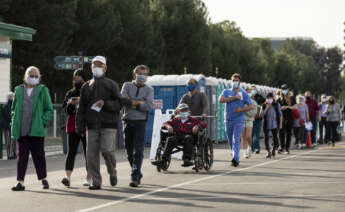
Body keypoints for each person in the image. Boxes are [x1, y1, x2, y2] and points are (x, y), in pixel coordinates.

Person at [76, 56, 128, 190]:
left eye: (99, 65)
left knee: (107, 151)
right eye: (94, 65)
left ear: (105, 68)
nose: (96, 67)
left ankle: (112, 171)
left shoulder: (111, 84)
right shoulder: (86, 86)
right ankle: (96, 181)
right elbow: (81, 108)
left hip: (108, 125)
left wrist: (106, 104)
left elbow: (119, 103)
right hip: (91, 125)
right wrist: (80, 125)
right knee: (91, 155)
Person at [11, 66, 53, 191]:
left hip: (37, 130)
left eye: (36, 76)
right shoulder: (18, 90)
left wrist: (42, 122)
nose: (33, 77)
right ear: (25, 76)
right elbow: (14, 109)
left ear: (38, 77)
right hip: (22, 130)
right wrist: (14, 123)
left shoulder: (42, 90)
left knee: (39, 156)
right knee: (21, 157)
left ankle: (43, 179)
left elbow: (49, 109)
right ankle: (20, 182)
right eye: (31, 75)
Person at [121, 65, 154, 187]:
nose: (143, 77)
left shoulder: (149, 89)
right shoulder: (127, 85)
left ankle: (134, 177)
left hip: (140, 122)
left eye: (145, 74)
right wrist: (140, 102)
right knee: (129, 152)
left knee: (138, 151)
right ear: (134, 74)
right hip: (128, 121)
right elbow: (123, 100)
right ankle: (137, 171)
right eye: (140, 74)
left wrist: (132, 102)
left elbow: (149, 106)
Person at [61, 69, 91, 187]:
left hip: (87, 126)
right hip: (72, 126)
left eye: (80, 78)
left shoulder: (89, 91)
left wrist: (81, 101)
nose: (77, 80)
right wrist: (70, 104)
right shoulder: (70, 93)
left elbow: (93, 107)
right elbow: (65, 109)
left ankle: (89, 178)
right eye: (75, 78)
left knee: (88, 153)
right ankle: (67, 177)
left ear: (84, 79)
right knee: (71, 152)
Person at [219, 73, 253, 167]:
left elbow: (251, 105)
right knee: (230, 139)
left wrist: (241, 110)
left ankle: (236, 159)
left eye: (236, 80)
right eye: (233, 80)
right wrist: (234, 98)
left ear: (239, 82)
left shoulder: (244, 93)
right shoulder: (226, 91)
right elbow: (220, 100)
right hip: (228, 119)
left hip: (238, 119)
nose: (235, 82)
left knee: (236, 139)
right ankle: (234, 152)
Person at [260, 93, 283, 158]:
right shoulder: (264, 105)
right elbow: (261, 115)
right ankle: (268, 151)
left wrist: (280, 124)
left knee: (275, 138)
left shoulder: (276, 104)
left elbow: (280, 114)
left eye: (271, 98)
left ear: (273, 98)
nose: (269, 99)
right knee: (266, 137)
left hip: (275, 123)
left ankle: (273, 149)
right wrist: (266, 108)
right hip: (266, 123)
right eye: (268, 98)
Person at [278, 84, 295, 154]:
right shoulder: (279, 99)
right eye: (283, 89)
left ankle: (287, 148)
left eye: (285, 89)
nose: (284, 90)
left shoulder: (291, 98)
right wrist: (280, 108)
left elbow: (295, 107)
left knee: (288, 133)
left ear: (288, 90)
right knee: (281, 132)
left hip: (289, 117)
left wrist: (287, 107)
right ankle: (282, 147)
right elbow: (276, 108)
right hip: (281, 118)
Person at [241, 88, 258, 158]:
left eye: (249, 92)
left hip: (249, 121)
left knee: (248, 136)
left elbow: (253, 113)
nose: (248, 94)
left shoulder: (253, 102)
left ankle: (250, 147)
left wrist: (245, 110)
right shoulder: (241, 101)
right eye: (247, 92)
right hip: (241, 120)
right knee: (243, 137)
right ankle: (244, 152)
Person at [1, 92, 16, 159]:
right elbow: (8, 116)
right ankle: (10, 155)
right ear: (10, 97)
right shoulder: (7, 106)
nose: (13, 98)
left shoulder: (12, 105)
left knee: (12, 140)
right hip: (8, 125)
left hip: (11, 125)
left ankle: (12, 154)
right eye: (12, 96)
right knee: (9, 141)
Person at [252, 85, 264, 154]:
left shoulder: (259, 97)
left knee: (256, 134)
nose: (253, 90)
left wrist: (261, 107)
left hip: (258, 118)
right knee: (251, 134)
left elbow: (265, 102)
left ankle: (257, 148)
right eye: (252, 89)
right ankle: (252, 148)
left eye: (254, 89)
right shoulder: (248, 97)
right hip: (250, 118)